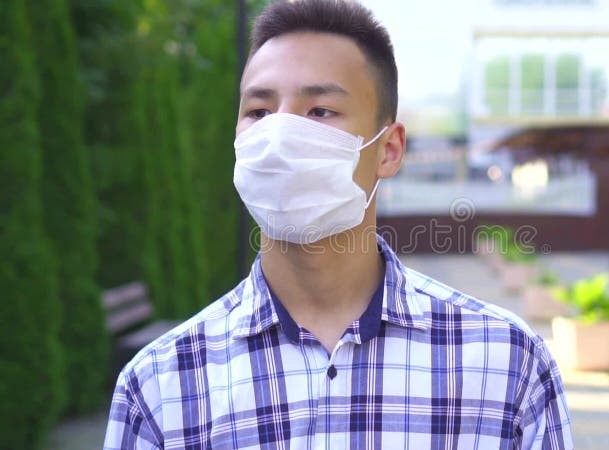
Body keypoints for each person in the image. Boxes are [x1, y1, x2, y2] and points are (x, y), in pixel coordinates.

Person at [103, 0, 573, 448]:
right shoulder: (161, 388)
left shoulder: (507, 364)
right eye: (259, 113)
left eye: (320, 111)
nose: (280, 136)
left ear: (388, 150)